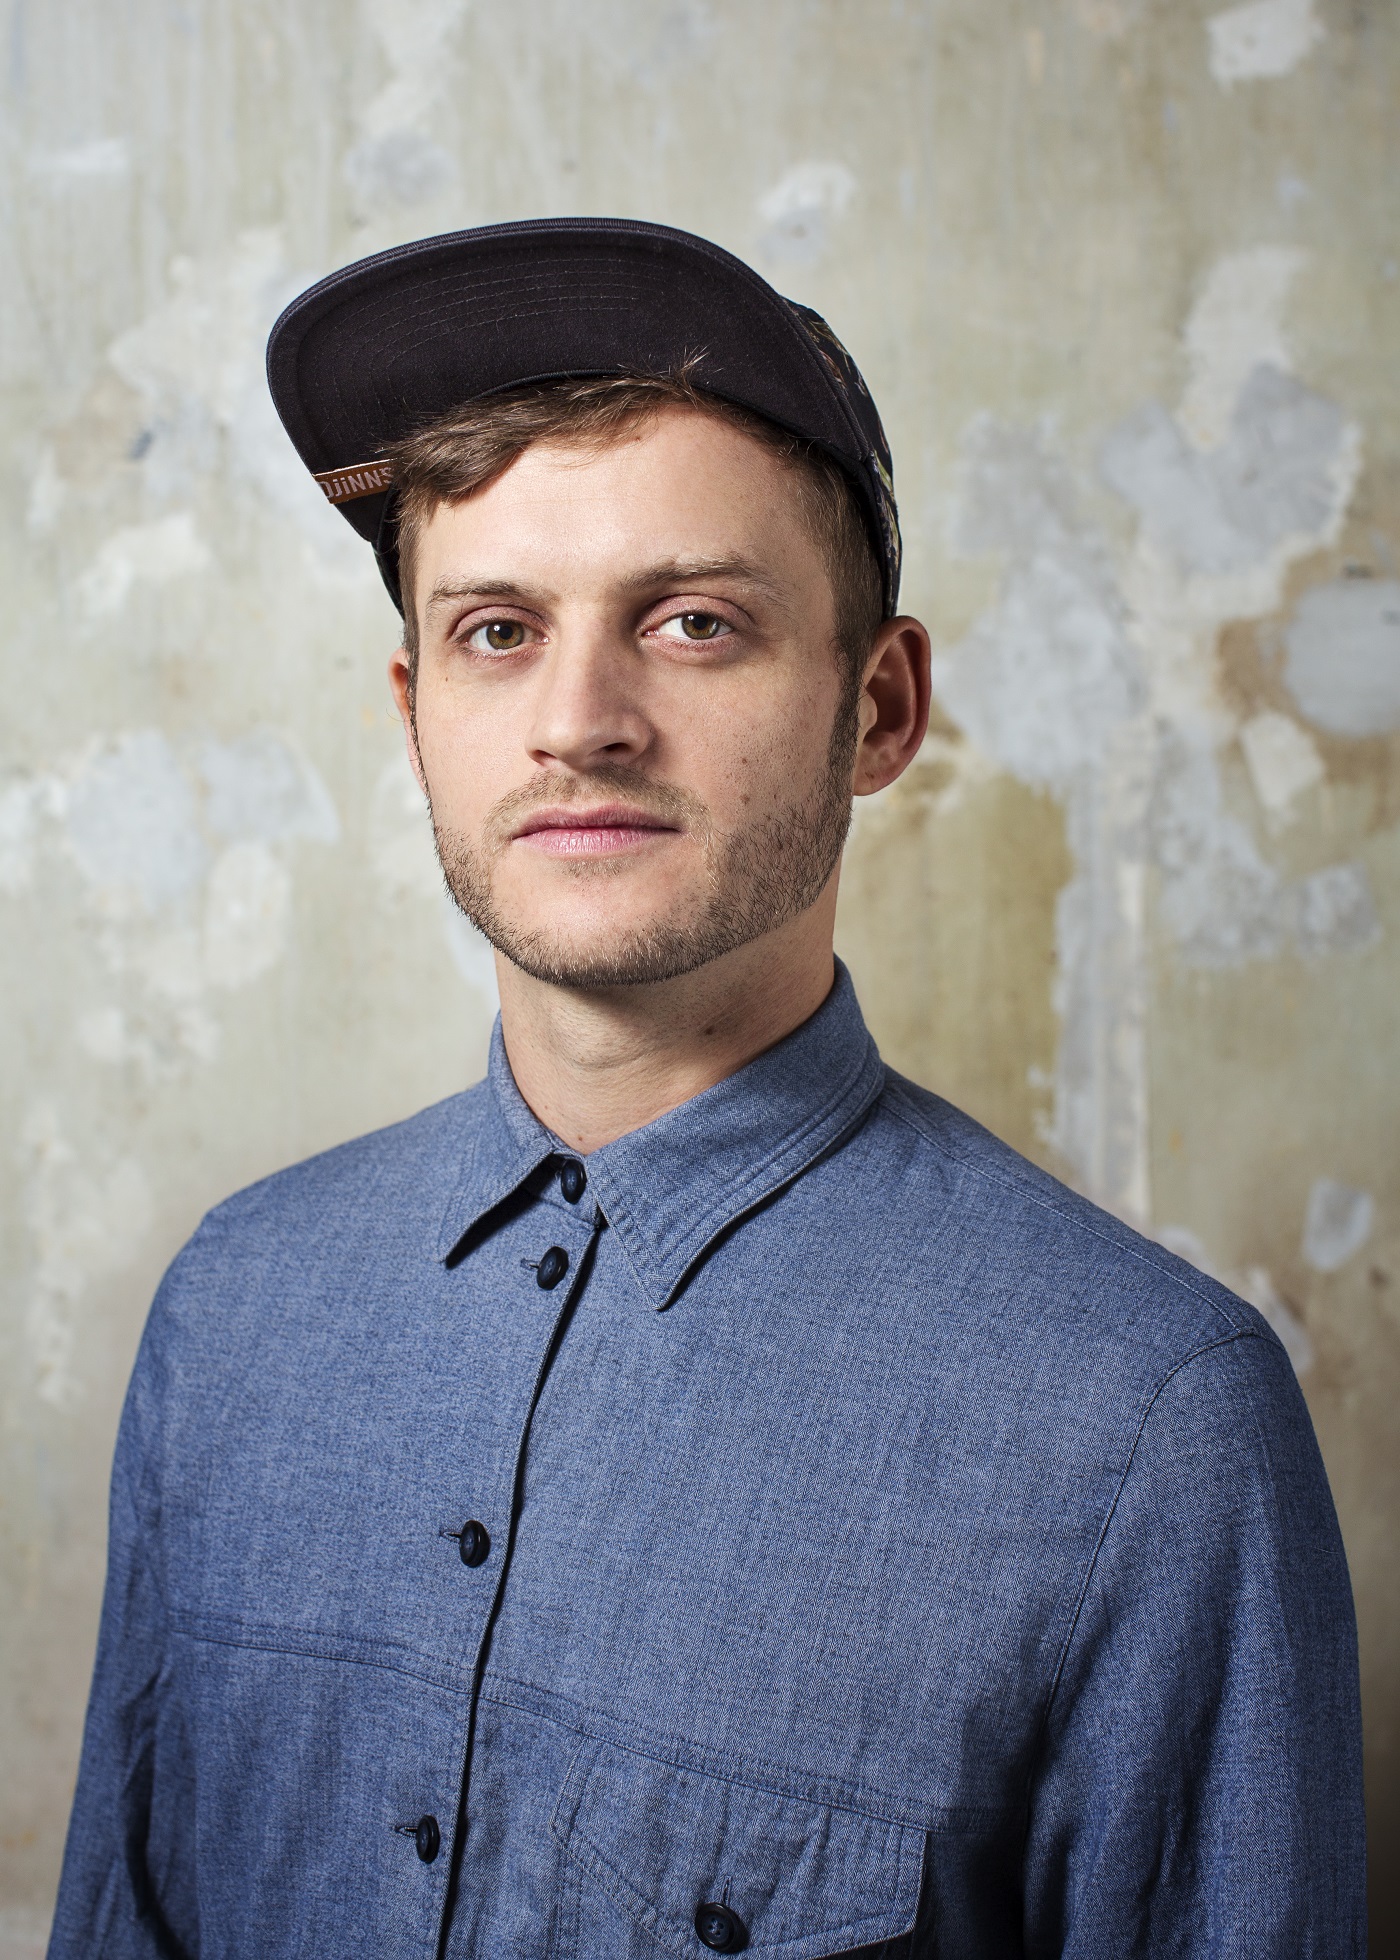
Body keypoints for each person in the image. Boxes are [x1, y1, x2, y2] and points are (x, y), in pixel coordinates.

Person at [49, 220, 1365, 1959]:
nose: (581, 719)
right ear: (415, 707)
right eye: (498, 629)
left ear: (877, 708)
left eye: (693, 623)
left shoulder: (1152, 1429)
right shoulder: (234, 1306)